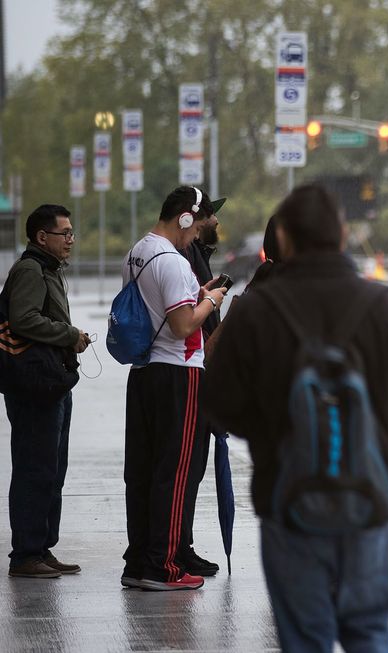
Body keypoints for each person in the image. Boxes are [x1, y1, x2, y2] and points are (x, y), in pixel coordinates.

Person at [201, 184, 388, 651]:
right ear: (341, 237)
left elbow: (218, 405)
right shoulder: (383, 306)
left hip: (287, 498)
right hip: (368, 498)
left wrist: (278, 427)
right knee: (369, 630)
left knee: (305, 637)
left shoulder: (255, 312)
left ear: (285, 241)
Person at [120, 186, 227, 591]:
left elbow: (154, 306)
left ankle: (139, 560)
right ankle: (163, 566)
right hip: (179, 373)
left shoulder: (137, 252)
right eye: (196, 225)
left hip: (144, 371)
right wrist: (212, 300)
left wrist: (197, 295)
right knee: (175, 471)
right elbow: (183, 326)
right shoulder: (174, 261)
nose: (196, 235)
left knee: (143, 471)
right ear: (185, 217)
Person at [3, 204, 90, 578]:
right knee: (35, 468)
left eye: (71, 233)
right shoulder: (30, 269)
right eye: (64, 233)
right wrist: (70, 335)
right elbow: (23, 319)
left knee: (53, 469)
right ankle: (25, 554)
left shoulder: (49, 269)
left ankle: (41, 547)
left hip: (52, 382)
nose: (70, 239)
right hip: (34, 386)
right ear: (42, 237)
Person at [176, 194, 226, 578]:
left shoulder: (198, 252)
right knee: (185, 466)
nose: (215, 223)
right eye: (211, 217)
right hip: (190, 366)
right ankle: (175, 547)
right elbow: (189, 318)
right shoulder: (186, 254)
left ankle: (181, 544)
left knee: (193, 466)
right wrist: (213, 301)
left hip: (201, 365)